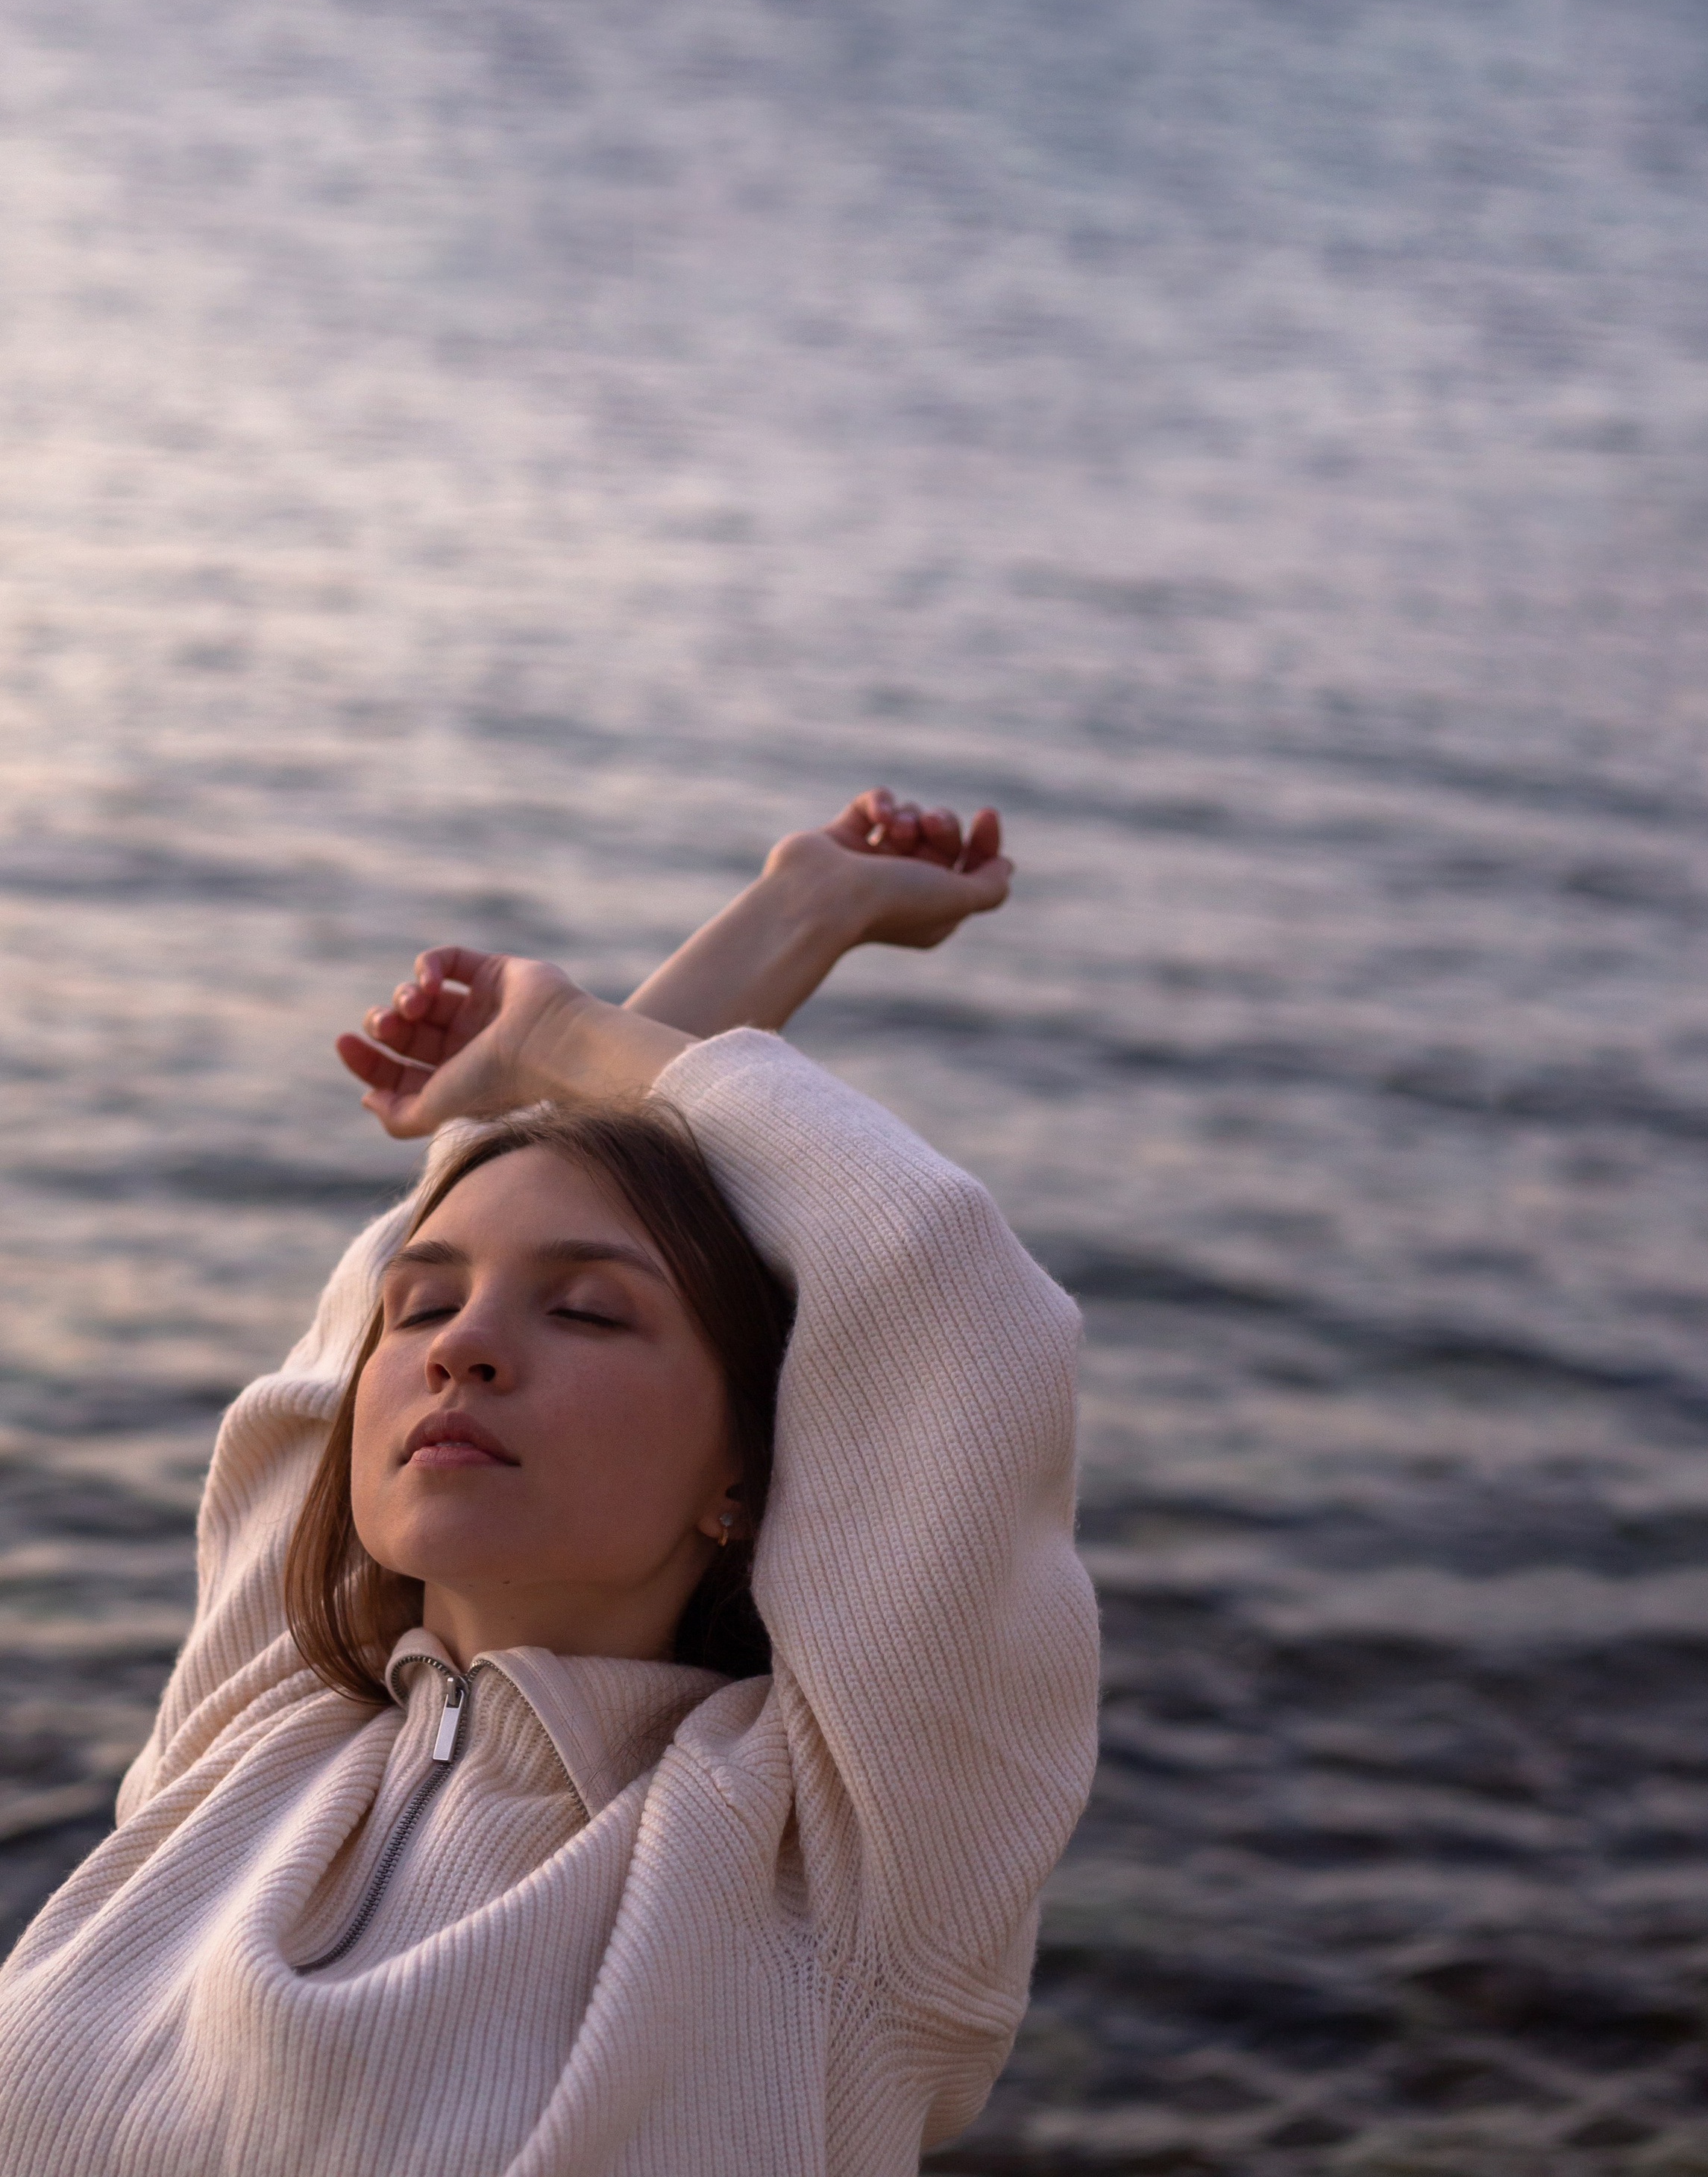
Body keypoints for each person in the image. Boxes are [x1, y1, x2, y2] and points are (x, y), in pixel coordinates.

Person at [0, 791, 1100, 2177]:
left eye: (586, 1316)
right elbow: (496, 1209)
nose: (460, 1347)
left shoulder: (830, 1872)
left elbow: (937, 1285)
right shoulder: (257, 1731)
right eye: (423, 1310)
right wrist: (794, 913)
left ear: (748, 1479)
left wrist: (562, 1038)